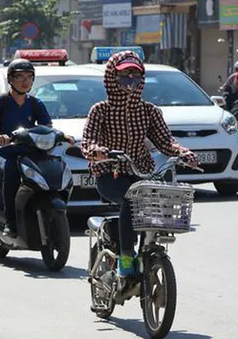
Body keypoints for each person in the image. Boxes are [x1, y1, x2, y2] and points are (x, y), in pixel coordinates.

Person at [81, 51, 198, 279]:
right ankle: (126, 256)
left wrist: (183, 153)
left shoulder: (149, 111)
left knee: (154, 202)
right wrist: (96, 151)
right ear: (112, 77)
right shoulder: (101, 110)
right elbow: (89, 139)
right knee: (131, 199)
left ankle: (147, 250)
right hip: (109, 175)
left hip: (142, 173)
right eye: (125, 74)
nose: (130, 79)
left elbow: (166, 142)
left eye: (135, 74)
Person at [0, 59, 73, 239]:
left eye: (29, 77)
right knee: (12, 174)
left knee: (53, 168)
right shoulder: (0, 102)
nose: (25, 81)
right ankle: (10, 222)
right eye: (20, 77)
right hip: (6, 153)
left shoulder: (35, 103)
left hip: (31, 151)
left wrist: (61, 135)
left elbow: (47, 126)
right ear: (10, 79)